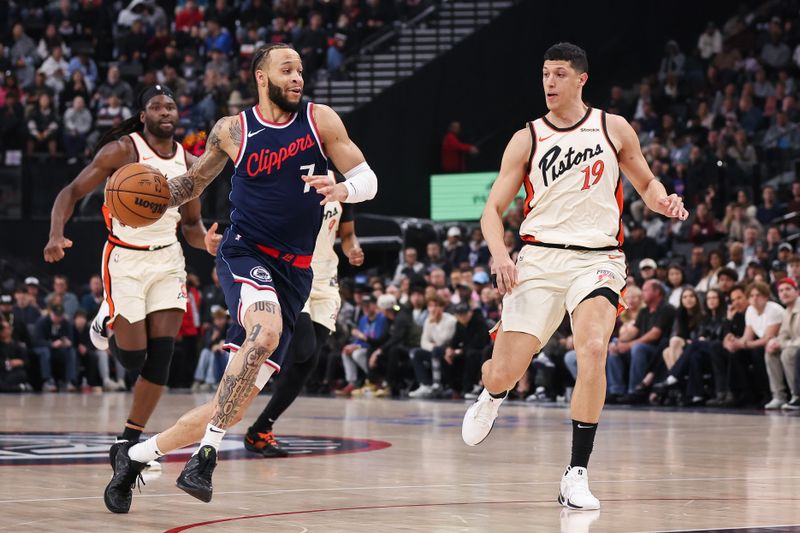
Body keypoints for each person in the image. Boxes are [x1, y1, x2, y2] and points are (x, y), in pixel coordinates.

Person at [104, 43, 377, 513]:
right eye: (286, 69)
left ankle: (134, 456)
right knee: (265, 330)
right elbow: (190, 185)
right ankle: (206, 457)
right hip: (243, 252)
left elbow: (368, 179)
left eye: (300, 70)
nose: (297, 77)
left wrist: (343, 187)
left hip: (296, 271)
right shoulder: (232, 130)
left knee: (228, 403)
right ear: (261, 77)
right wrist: (147, 200)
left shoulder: (321, 120)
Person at [460, 43, 688, 511]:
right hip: (539, 259)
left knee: (592, 348)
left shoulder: (613, 127)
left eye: (559, 74)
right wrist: (501, 254)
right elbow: (490, 211)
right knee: (505, 369)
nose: (549, 82)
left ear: (581, 79)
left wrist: (662, 199)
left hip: (598, 258)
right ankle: (491, 393)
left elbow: (645, 182)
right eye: (545, 73)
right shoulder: (527, 137)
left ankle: (576, 473)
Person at [43, 86, 211, 469]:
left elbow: (192, 225)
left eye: (170, 105)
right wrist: (56, 234)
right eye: (156, 106)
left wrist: (210, 243)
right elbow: (70, 192)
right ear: (143, 116)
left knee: (162, 356)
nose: (165, 111)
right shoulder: (123, 151)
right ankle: (105, 323)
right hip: (125, 258)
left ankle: (128, 440)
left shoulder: (189, 160)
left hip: (168, 259)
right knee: (135, 357)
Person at [244, 172, 364, 457]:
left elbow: (346, 234)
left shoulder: (342, 183)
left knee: (309, 359)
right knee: (303, 347)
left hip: (326, 280)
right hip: (293, 273)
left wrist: (353, 249)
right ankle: (247, 376)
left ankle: (261, 428)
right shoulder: (289, 176)